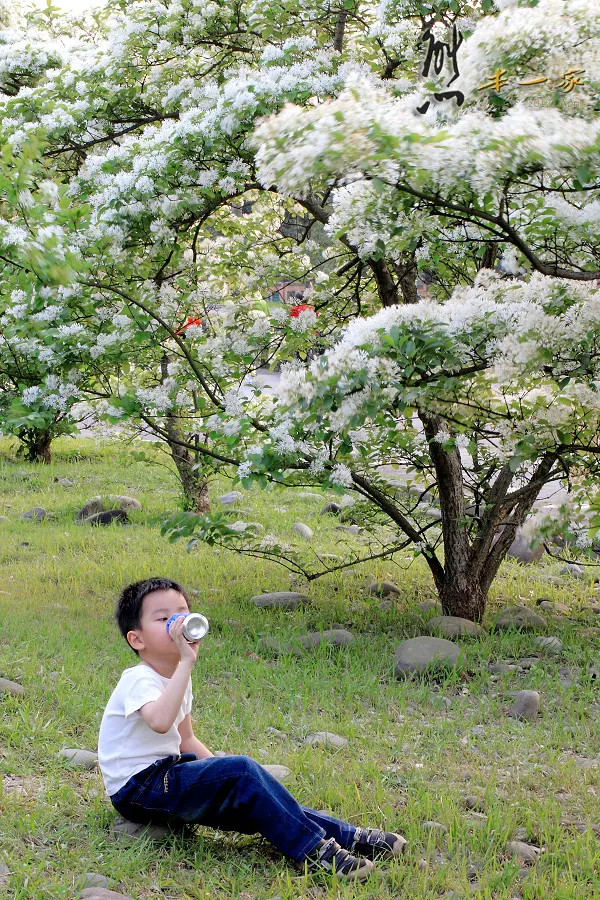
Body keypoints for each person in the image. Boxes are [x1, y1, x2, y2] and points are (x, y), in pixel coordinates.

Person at [98, 577, 407, 880]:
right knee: (243, 772)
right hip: (138, 787)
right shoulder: (139, 679)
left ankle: (348, 836)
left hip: (167, 776)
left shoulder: (180, 676)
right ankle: (315, 853)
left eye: (182, 614)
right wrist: (186, 663)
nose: (177, 624)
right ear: (137, 639)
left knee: (257, 790)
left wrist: (223, 774)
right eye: (164, 618)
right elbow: (160, 721)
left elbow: (186, 738)